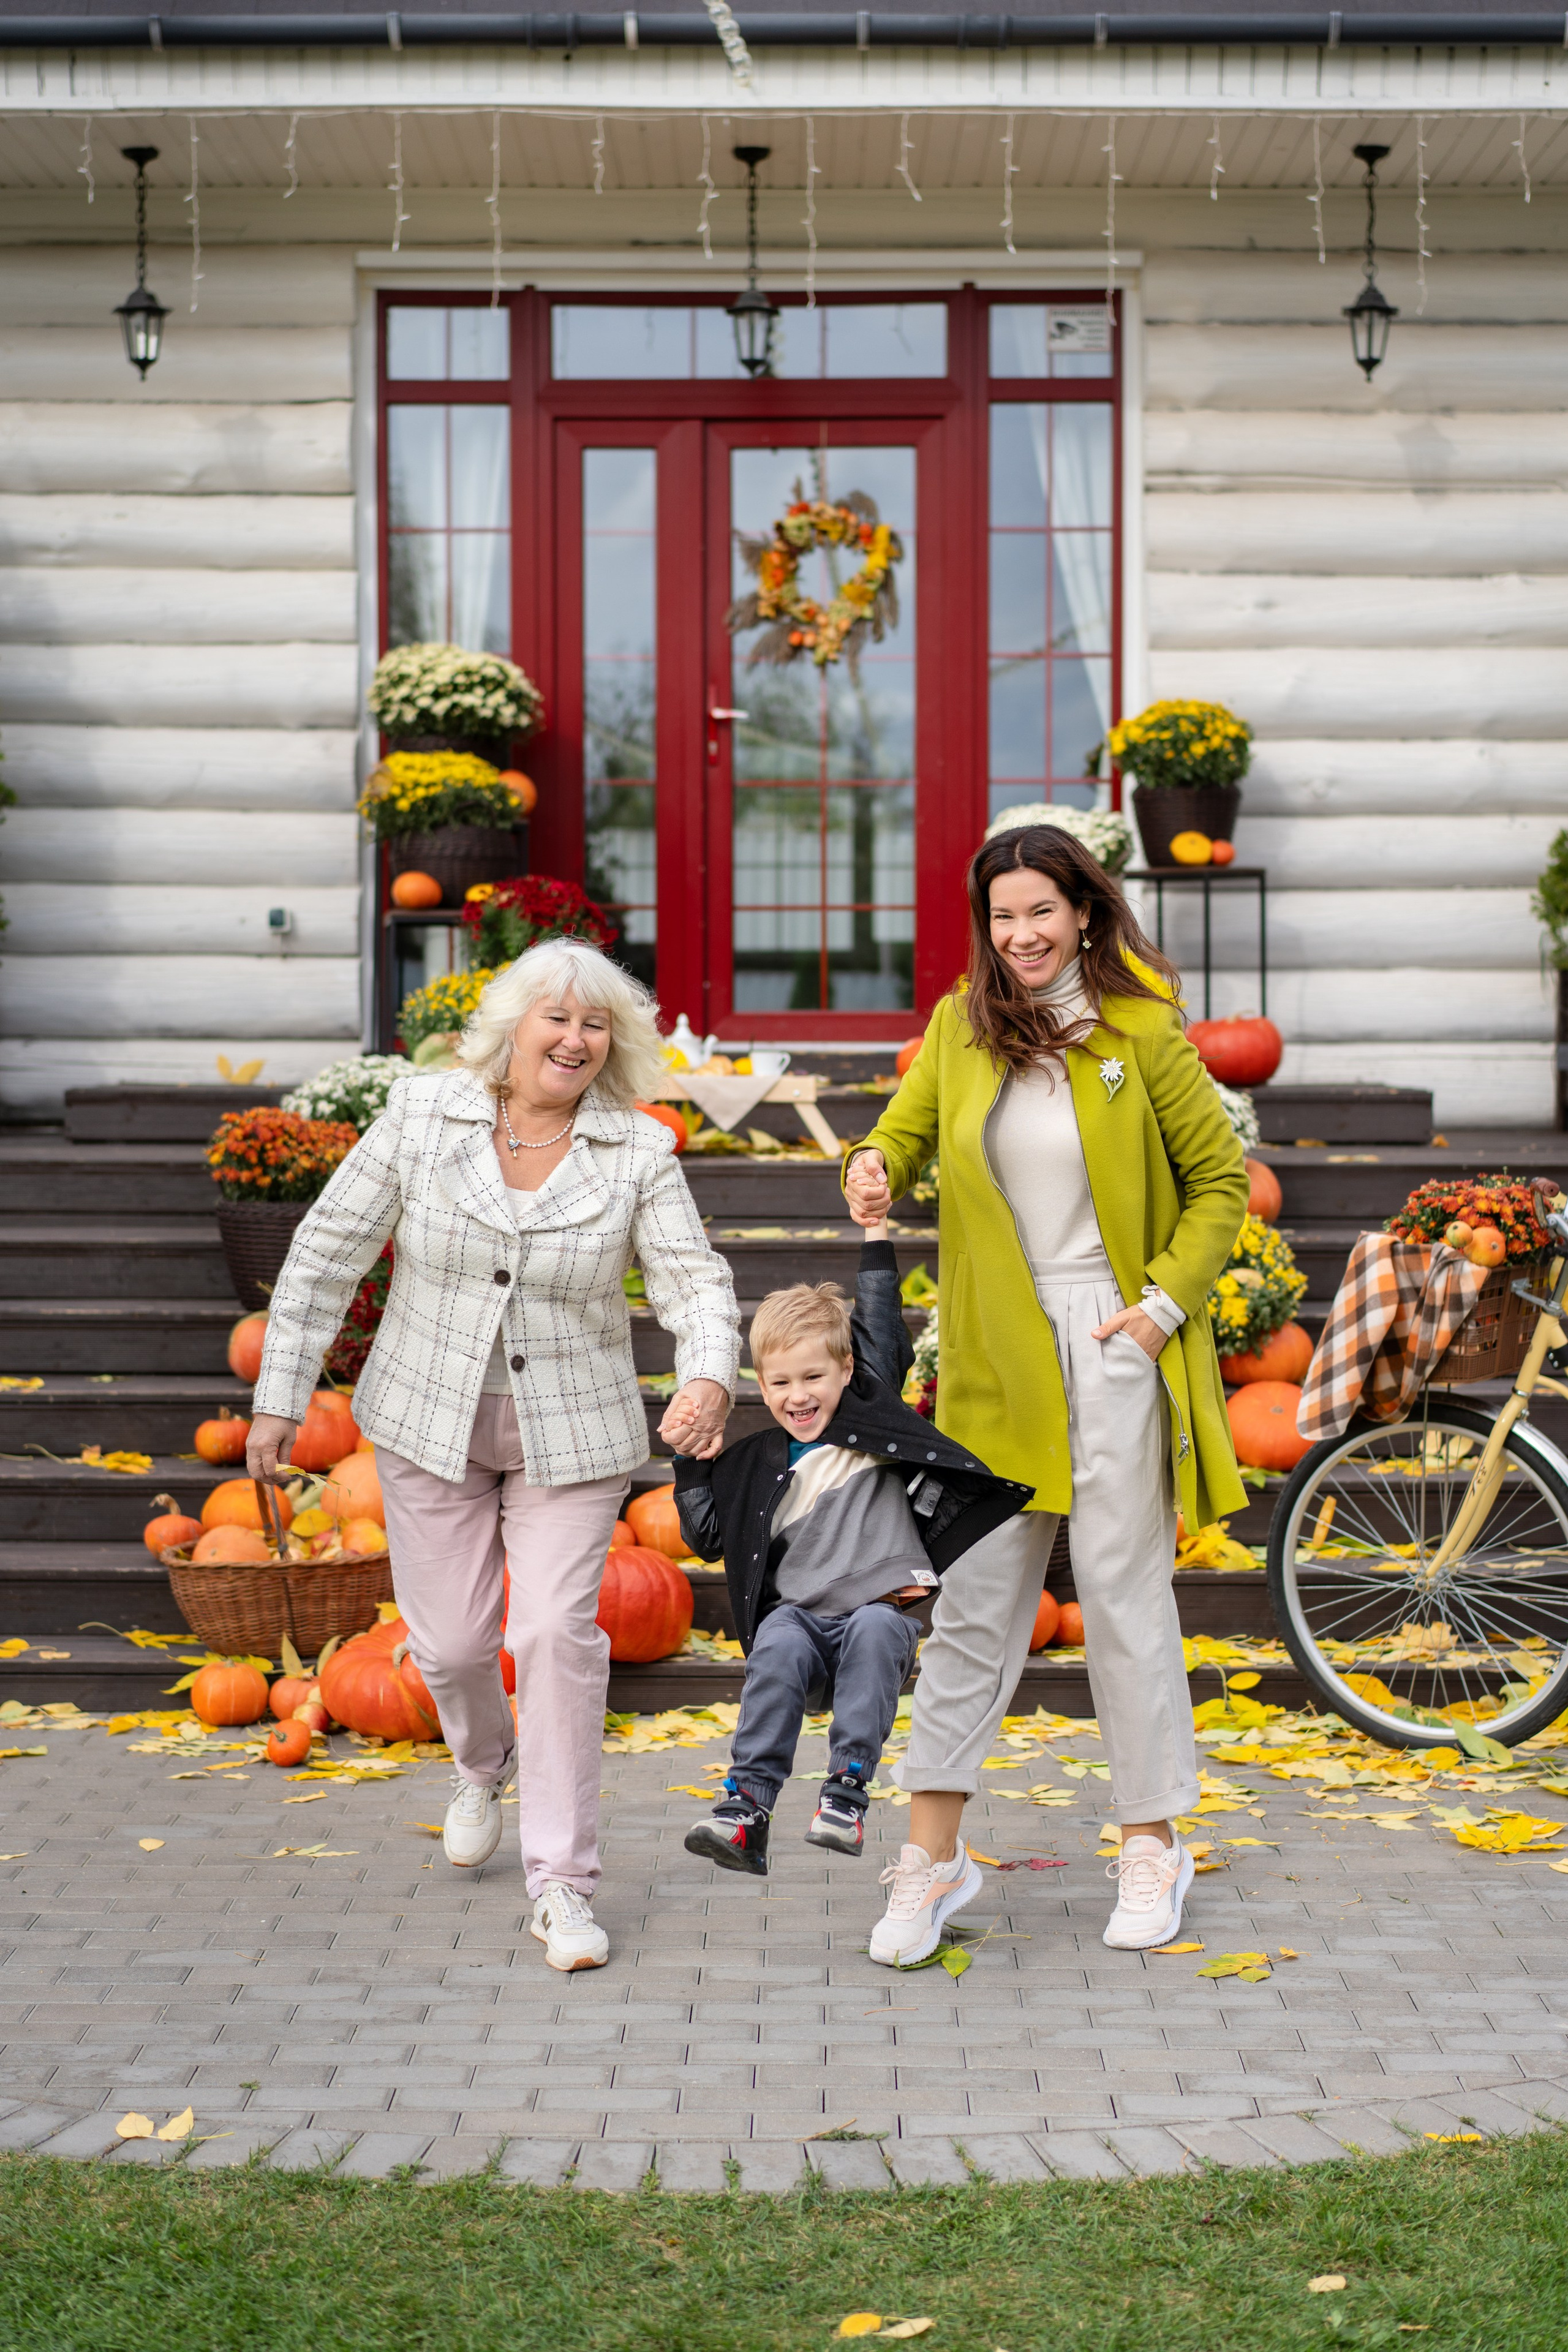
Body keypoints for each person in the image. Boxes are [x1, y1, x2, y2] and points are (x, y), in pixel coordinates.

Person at [247, 938, 739, 1973]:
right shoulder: (425, 1114)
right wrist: (281, 1395)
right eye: (556, 1017)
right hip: (427, 1419)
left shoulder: (636, 1148)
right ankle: (483, 1760)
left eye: (595, 1024)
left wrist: (706, 1376)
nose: (575, 1039)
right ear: (513, 1026)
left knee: (555, 1635)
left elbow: (693, 1281)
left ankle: (562, 1885)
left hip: (572, 1431)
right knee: (452, 1649)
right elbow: (327, 1251)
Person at [843, 823, 1250, 1958]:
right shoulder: (958, 1029)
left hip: (1113, 1334)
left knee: (1123, 1596)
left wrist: (1160, 1307)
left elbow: (1220, 1182)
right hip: (994, 1351)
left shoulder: (1141, 1029)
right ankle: (932, 1859)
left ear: (1082, 913)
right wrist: (870, 1163)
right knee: (974, 1606)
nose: (1021, 934)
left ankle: (1152, 1842)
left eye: (1040, 911)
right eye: (1003, 916)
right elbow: (901, 1136)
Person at [674, 1215, 1029, 1942]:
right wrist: (691, 1465)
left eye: (814, 1377)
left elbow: (882, 1329)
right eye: (780, 1382)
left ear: (846, 1371)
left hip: (872, 1614)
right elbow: (706, 1536)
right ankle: (747, 1809)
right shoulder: (755, 1461)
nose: (798, 1395)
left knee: (875, 1624)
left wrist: (874, 1233)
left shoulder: (873, 1430)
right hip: (801, 1625)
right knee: (776, 1638)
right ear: (760, 1384)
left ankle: (845, 1792)